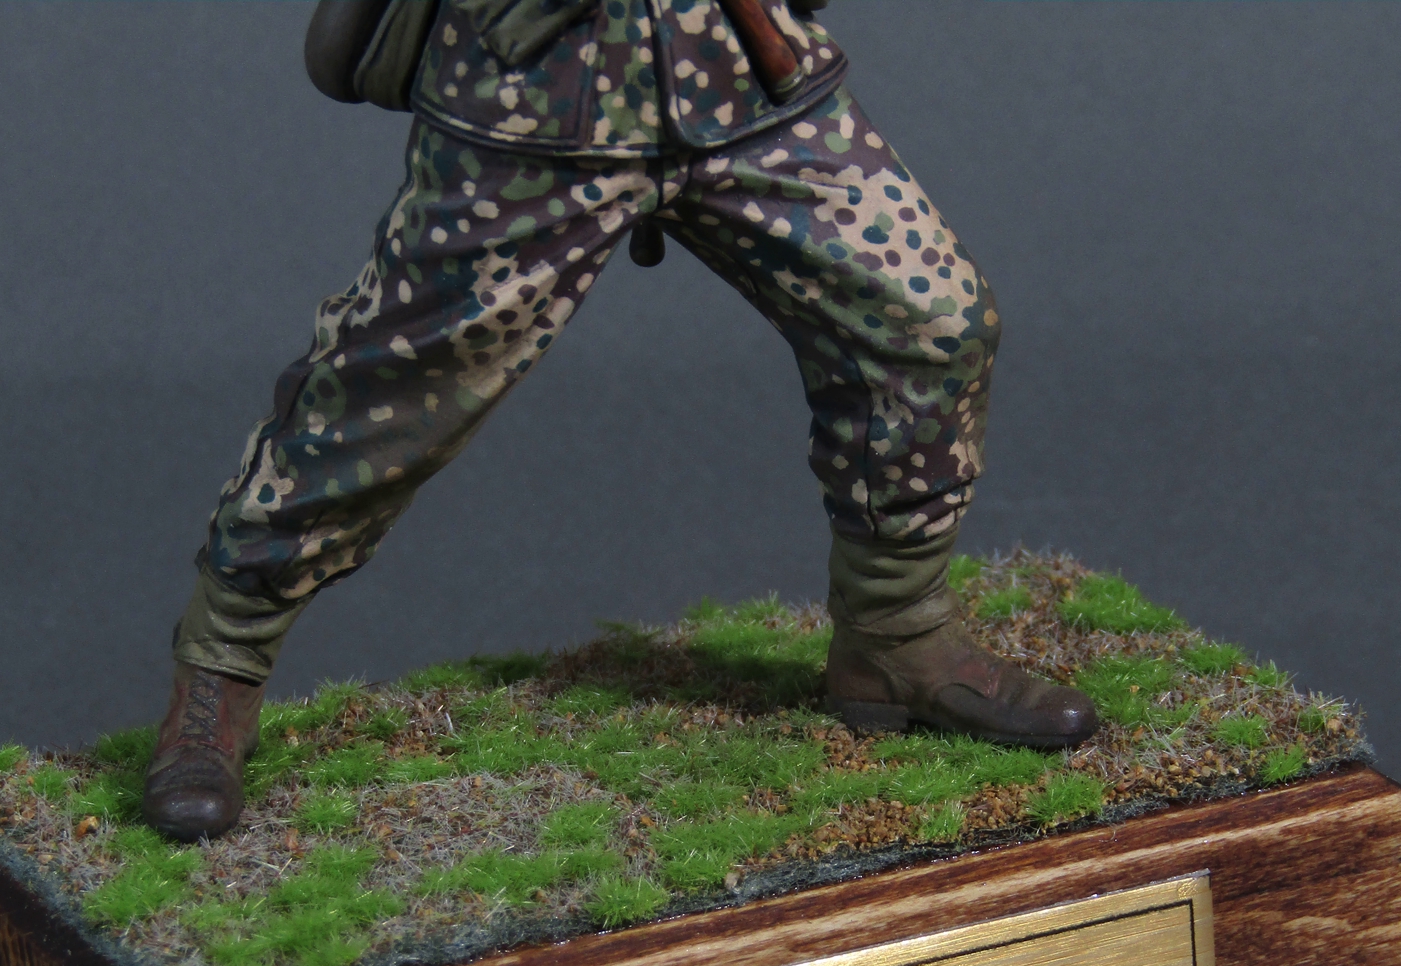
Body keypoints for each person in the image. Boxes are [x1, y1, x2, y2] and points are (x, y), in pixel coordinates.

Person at [143, 0, 1098, 842]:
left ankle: (896, 636)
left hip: (736, 78)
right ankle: (222, 663)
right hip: (534, 92)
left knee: (929, 321)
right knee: (390, 393)